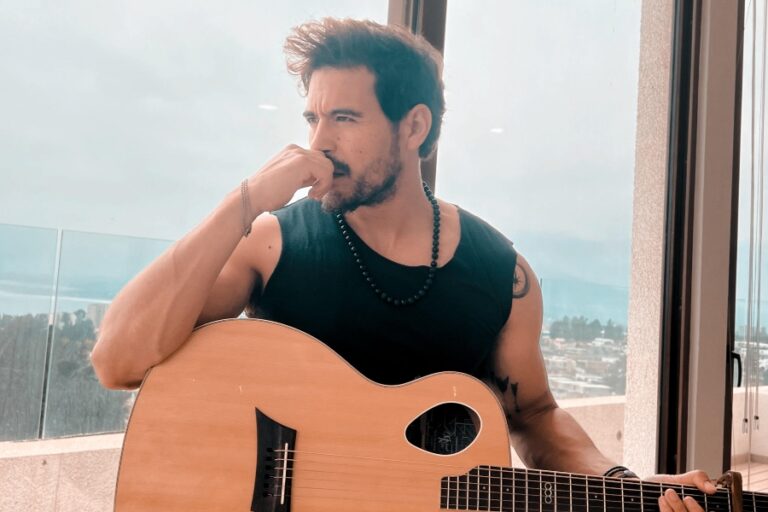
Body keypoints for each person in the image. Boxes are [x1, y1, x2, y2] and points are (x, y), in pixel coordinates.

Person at [91, 17, 715, 511]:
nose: (318, 143)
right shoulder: (271, 242)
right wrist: (245, 201)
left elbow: (534, 416)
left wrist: (622, 484)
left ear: (414, 126)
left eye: (343, 118)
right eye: (313, 118)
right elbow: (117, 360)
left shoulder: (504, 274)